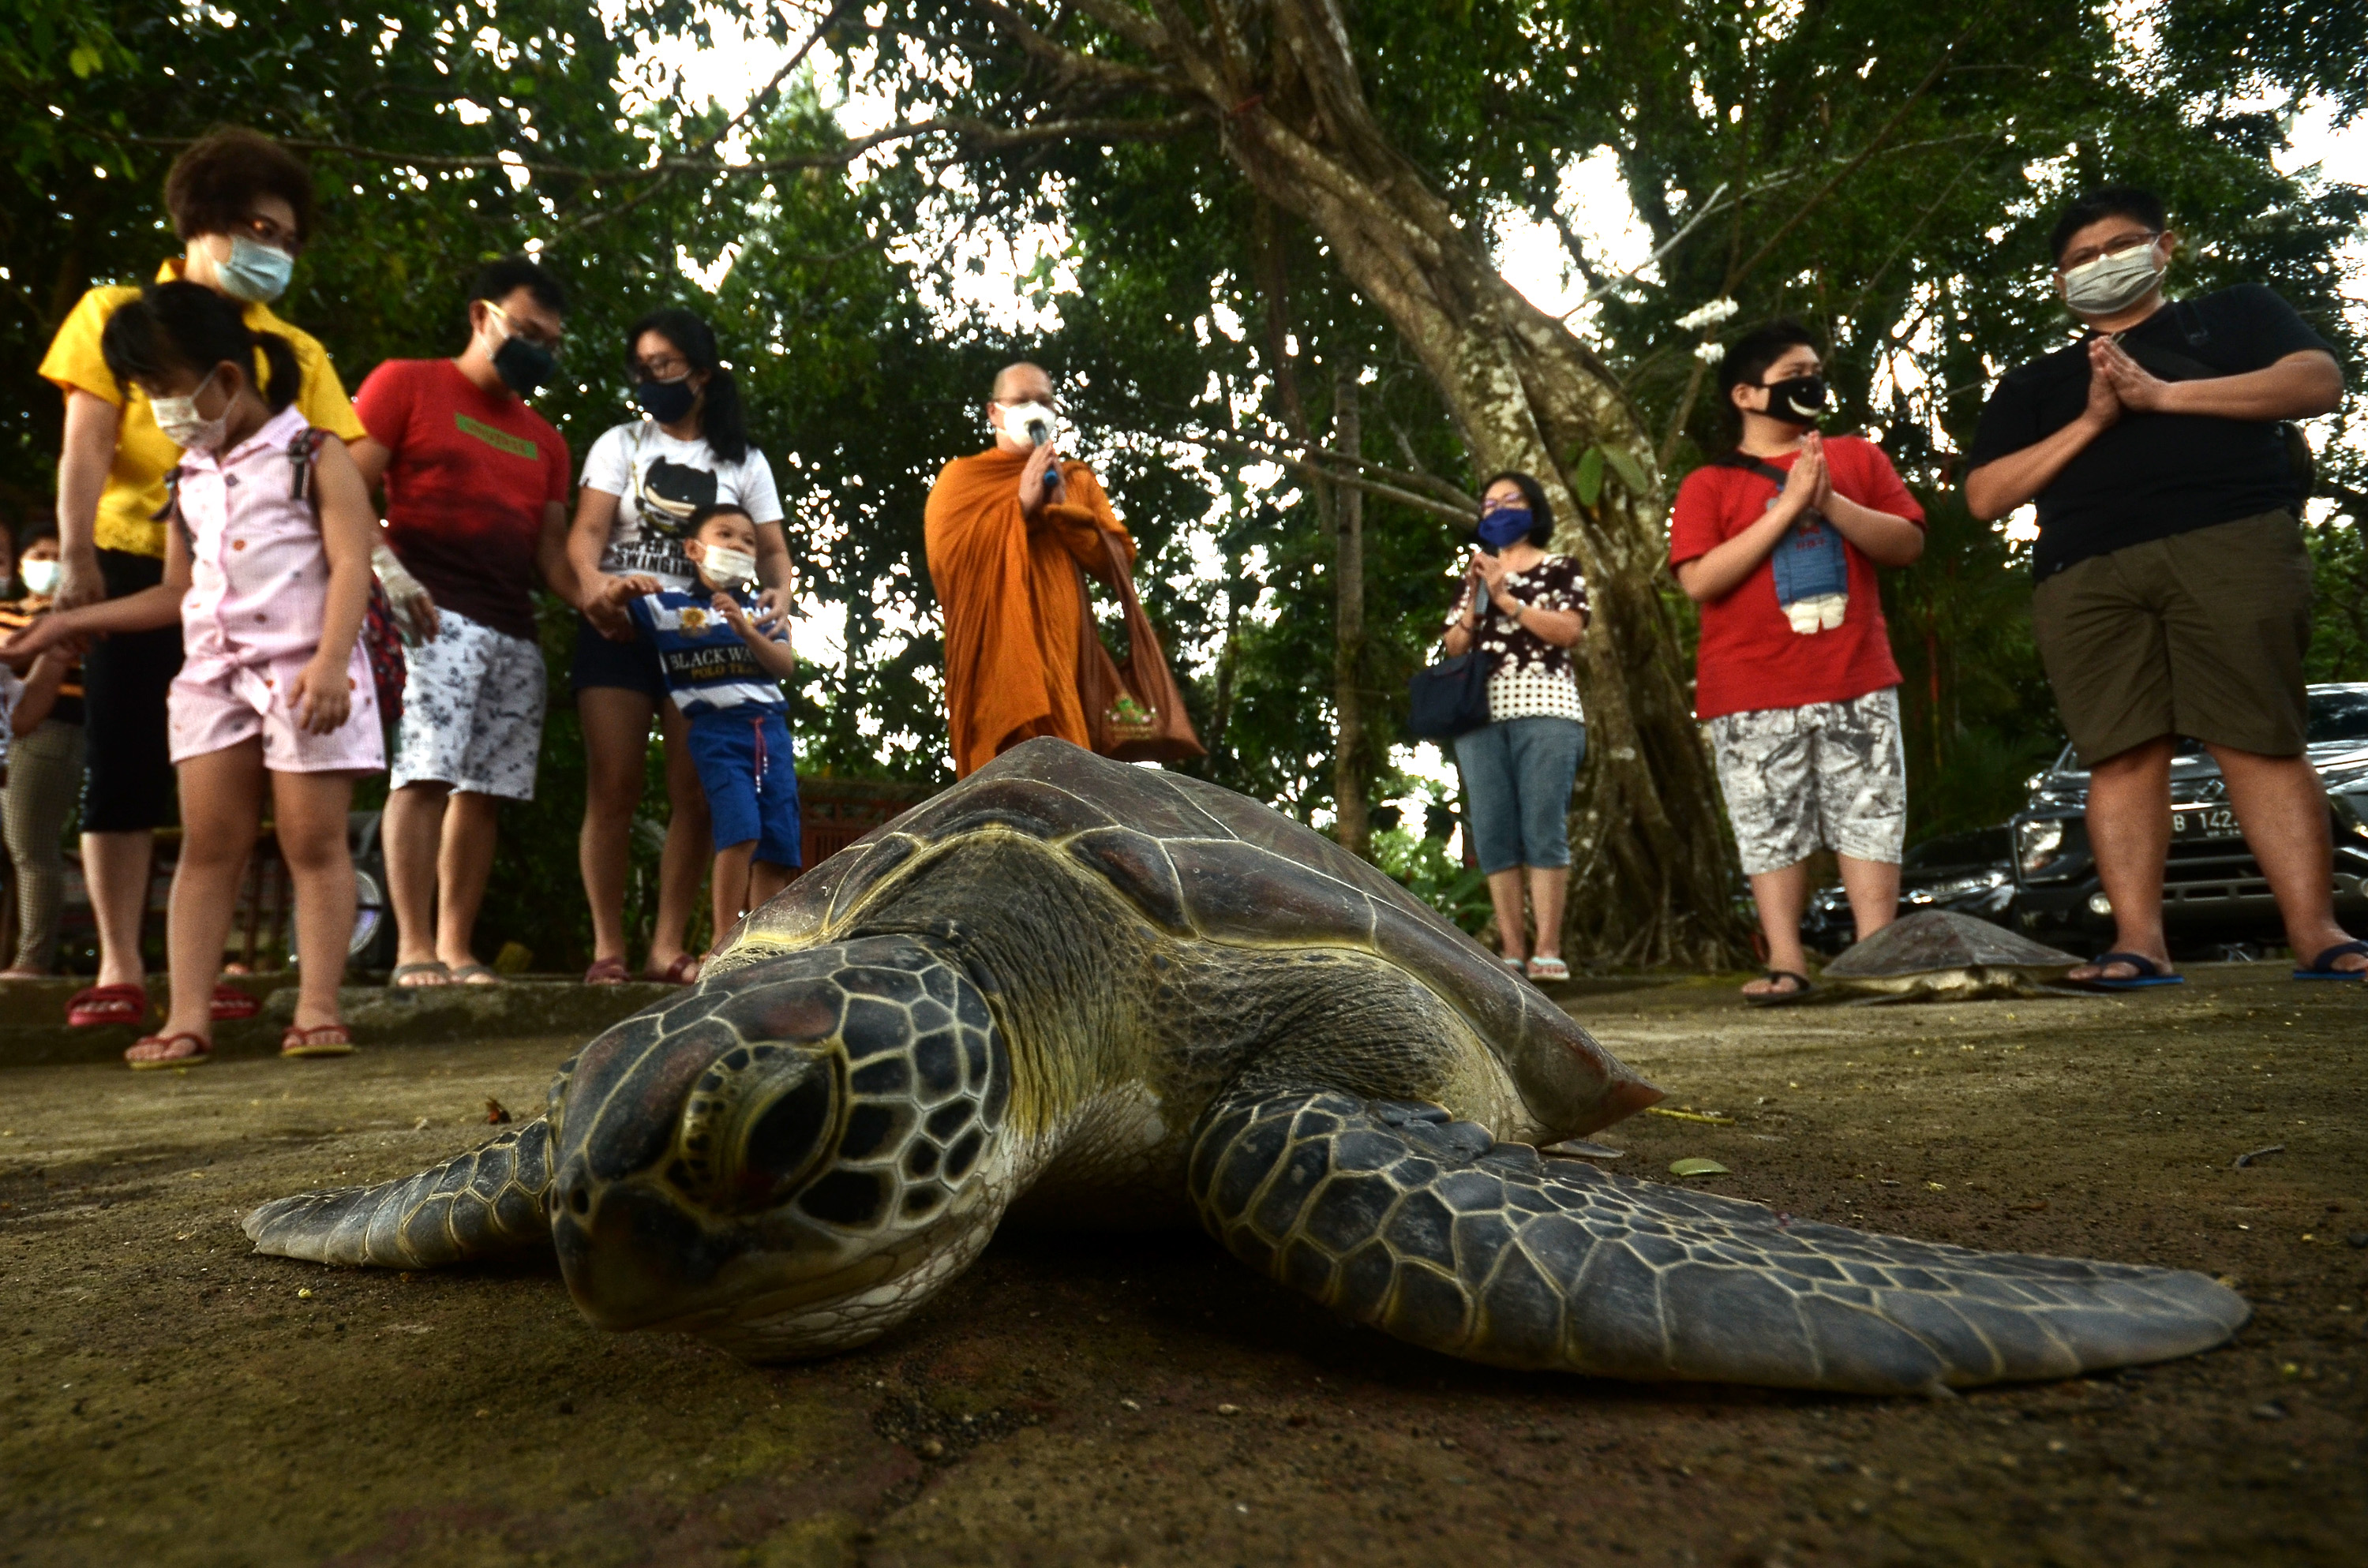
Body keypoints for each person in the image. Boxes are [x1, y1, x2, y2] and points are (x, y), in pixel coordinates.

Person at [1965, 185, 2355, 985]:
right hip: (2085, 571)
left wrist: (2164, 396)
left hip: (2231, 542)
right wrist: (2094, 420)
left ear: (2164, 247)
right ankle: (2138, 943)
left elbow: (2318, 383)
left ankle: (2317, 934)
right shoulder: (2035, 382)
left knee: (2258, 737)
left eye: (2120, 246)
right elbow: (1986, 496)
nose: (2103, 265)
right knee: (2120, 750)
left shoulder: (2236, 316)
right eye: (2082, 259)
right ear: (2059, 284)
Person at [3, 283, 382, 1067]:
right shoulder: (187, 477)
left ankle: (316, 1006)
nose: (158, 407)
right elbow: (177, 595)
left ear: (228, 379)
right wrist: (70, 623)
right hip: (211, 678)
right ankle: (188, 1015)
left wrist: (329, 663)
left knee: (313, 841)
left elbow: (353, 563)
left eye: (164, 390)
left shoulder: (316, 453)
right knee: (210, 843)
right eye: (146, 392)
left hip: (307, 673)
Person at [1670, 319, 1927, 1005]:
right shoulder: (1709, 483)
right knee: (1769, 822)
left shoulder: (1860, 458)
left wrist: (1830, 501)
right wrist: (1785, 509)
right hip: (1749, 685)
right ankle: (1789, 962)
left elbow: (1905, 544)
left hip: (1857, 673)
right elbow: (1700, 579)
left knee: (1868, 814)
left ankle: (1876, 957)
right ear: (1747, 395)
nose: (1811, 384)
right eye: (1794, 376)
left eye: (1816, 370)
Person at [351, 256, 575, 987]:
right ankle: (413, 947)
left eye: (551, 341)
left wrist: (602, 597)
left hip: (516, 629)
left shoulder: (546, 440)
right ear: (482, 316)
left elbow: (553, 555)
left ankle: (455, 948)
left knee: (484, 792)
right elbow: (343, 488)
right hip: (428, 614)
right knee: (421, 775)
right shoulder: (405, 383)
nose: (538, 350)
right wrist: (386, 572)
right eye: (527, 331)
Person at [567, 309, 789, 985]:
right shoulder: (619, 443)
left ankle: (669, 946)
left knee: (696, 790)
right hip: (622, 628)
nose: (650, 379)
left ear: (700, 371)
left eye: (663, 365)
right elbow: (585, 535)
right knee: (614, 783)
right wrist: (596, 590)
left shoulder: (743, 461)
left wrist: (777, 598)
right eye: (641, 366)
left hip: (708, 636)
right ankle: (609, 947)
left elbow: (773, 550)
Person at [924, 361, 1136, 777]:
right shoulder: (960, 480)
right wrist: (1018, 506)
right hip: (999, 673)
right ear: (994, 412)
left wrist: (1063, 511)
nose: (1035, 411)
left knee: (1068, 783)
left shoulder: (1076, 480)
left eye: (1044, 401)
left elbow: (1119, 563)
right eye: (1022, 401)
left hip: (1064, 664)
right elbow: (947, 565)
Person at [603, 503, 801, 948]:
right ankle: (723, 942)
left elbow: (783, 666)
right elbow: (610, 609)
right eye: (726, 535)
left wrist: (747, 630)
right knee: (740, 830)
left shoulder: (765, 609)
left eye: (748, 541)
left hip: (770, 732)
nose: (737, 546)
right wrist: (621, 591)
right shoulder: (667, 607)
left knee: (778, 844)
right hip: (717, 732)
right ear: (693, 549)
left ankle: (765, 949)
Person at [1439, 473, 1590, 982]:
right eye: (1489, 504)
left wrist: (1510, 601)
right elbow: (1454, 646)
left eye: (1511, 500)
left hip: (1547, 711)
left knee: (1544, 826)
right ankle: (1511, 951)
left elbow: (1569, 631)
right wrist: (1480, 596)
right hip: (1480, 717)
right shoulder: (1476, 574)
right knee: (1494, 832)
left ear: (1533, 509)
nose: (1498, 510)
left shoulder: (1561, 568)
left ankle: (1549, 947)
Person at [0, 522, 90, 979]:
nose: (47, 565)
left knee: (30, 844)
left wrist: (43, 642)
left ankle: (32, 959)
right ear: (20, 563)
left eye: (59, 556)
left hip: (53, 732)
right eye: (38, 555)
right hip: (10, 731)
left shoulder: (82, 617)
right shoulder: (6, 613)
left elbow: (17, 667)